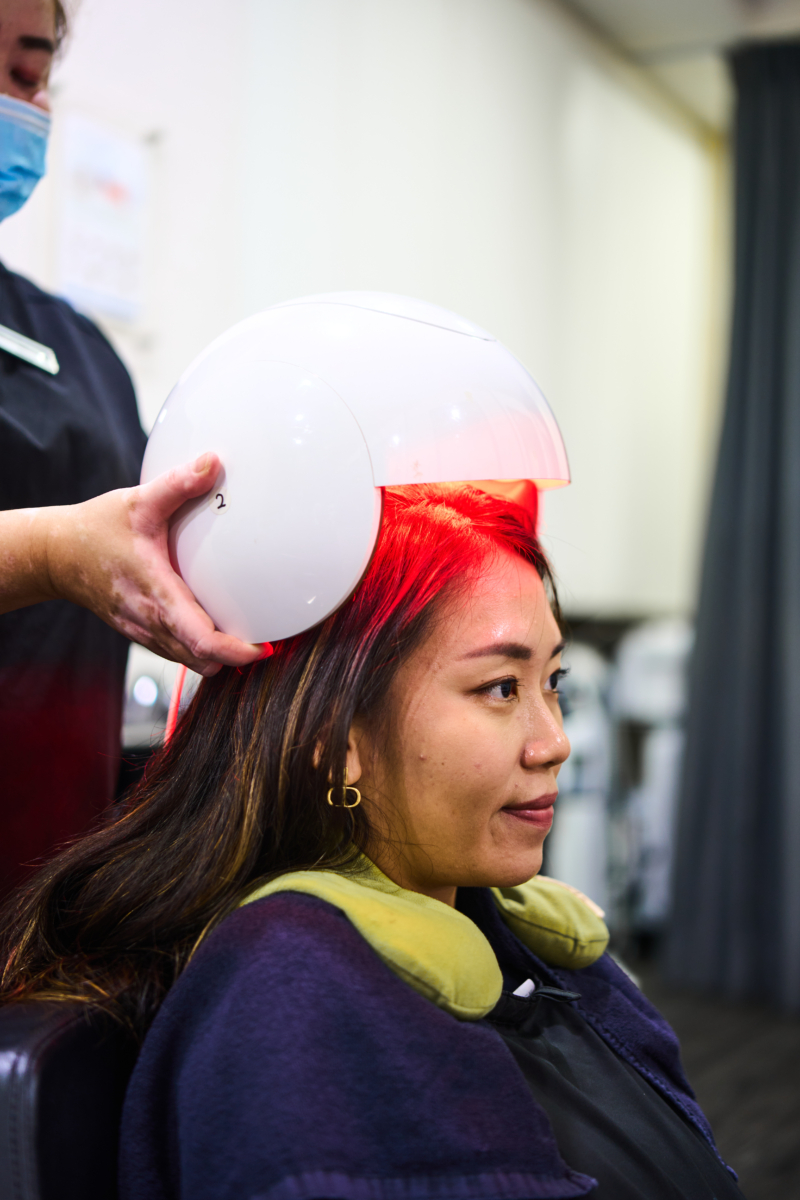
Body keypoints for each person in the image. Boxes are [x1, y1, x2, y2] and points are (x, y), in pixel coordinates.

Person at [0, 484, 743, 1199]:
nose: (555, 743)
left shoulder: (521, 935)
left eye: (554, 681)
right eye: (500, 688)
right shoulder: (290, 1008)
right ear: (338, 739)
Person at [0, 0, 257, 893]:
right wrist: (54, 552)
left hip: (52, 873)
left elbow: (170, 531)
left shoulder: (77, 348)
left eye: (27, 75)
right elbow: (81, 546)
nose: (9, 96)